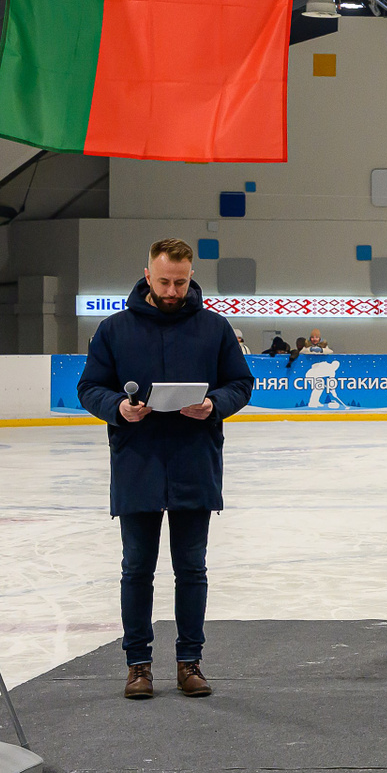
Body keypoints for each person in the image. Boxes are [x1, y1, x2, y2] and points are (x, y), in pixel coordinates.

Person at [76, 239, 255, 701]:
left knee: (191, 569)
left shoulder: (214, 327)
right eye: (164, 282)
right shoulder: (114, 329)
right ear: (147, 276)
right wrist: (118, 408)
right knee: (137, 569)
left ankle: (189, 662)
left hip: (194, 464)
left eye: (180, 282)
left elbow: (241, 383)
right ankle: (138, 666)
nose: (173, 291)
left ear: (191, 276)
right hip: (137, 466)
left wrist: (214, 404)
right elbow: (90, 388)